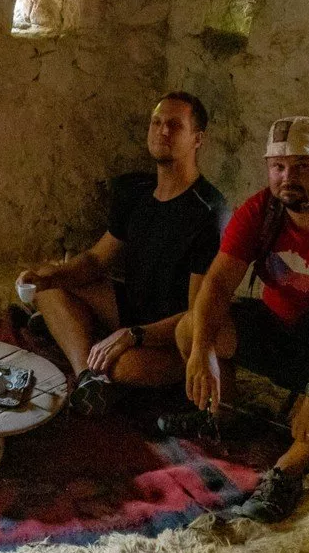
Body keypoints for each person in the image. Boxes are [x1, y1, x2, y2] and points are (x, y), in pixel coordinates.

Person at [172, 116, 309, 523]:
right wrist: (201, 351)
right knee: (192, 327)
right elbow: (218, 284)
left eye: (302, 166)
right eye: (278, 166)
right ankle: (223, 415)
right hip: (283, 327)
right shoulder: (261, 210)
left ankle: (287, 472)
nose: (287, 177)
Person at [15, 92, 229, 418]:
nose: (163, 131)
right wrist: (46, 277)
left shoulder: (208, 212)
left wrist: (132, 336)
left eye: (175, 125)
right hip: (131, 307)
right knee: (51, 286)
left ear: (197, 139)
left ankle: (81, 341)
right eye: (156, 123)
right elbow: (96, 261)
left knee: (126, 366)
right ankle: (88, 377)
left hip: (173, 334)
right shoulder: (136, 192)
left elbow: (196, 315)